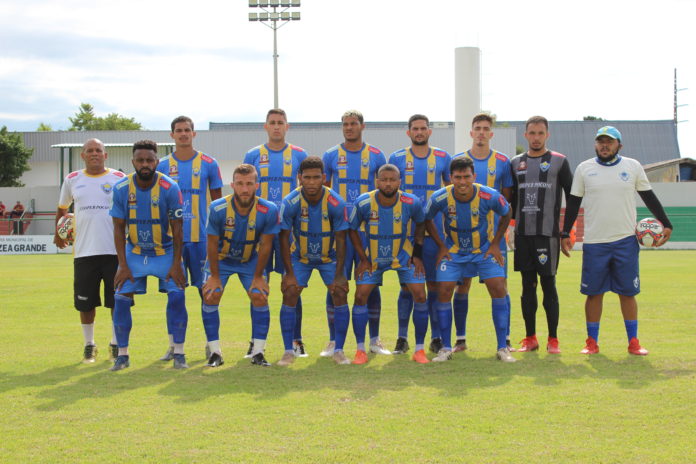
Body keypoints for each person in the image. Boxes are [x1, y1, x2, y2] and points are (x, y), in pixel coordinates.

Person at [561, 126, 673, 355]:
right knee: (594, 293)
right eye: (600, 141)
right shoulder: (584, 168)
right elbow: (573, 203)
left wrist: (666, 223)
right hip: (594, 242)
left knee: (628, 293)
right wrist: (565, 233)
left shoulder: (632, 166)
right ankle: (591, 342)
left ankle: (633, 342)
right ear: (595, 144)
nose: (604, 145)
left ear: (619, 145)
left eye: (609, 142)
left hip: (625, 241)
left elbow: (648, 197)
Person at [426, 157, 515, 362]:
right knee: (444, 290)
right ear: (451, 178)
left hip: (483, 251)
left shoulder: (489, 195)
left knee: (498, 286)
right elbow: (426, 217)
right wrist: (441, 245)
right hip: (454, 252)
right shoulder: (440, 197)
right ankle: (445, 348)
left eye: (466, 176)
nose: (462, 182)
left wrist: (495, 243)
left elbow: (507, 211)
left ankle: (502, 347)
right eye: (458, 177)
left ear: (474, 176)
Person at [109, 140, 187, 371]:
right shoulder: (121, 188)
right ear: (133, 162)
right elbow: (118, 228)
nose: (145, 164)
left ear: (157, 162)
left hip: (165, 252)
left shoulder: (170, 187)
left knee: (177, 296)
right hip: (135, 252)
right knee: (120, 298)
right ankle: (122, 356)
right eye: (140, 160)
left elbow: (178, 229)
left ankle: (179, 353)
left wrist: (176, 264)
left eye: (149, 160)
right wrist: (122, 265)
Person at [156, 116, 223, 365]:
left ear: (194, 134)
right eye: (179, 130)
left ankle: (211, 345)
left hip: (201, 241)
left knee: (207, 294)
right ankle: (173, 345)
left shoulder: (209, 163)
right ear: (172, 135)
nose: (183, 134)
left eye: (187, 130)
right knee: (174, 295)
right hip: (171, 243)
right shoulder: (162, 165)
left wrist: (220, 237)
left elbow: (218, 204)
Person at [349, 164, 431, 364]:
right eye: (384, 180)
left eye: (392, 180)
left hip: (403, 256)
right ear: (377, 181)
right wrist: (363, 259)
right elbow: (352, 229)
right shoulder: (363, 202)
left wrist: (417, 254)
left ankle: (419, 350)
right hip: (373, 258)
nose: (388, 184)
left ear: (399, 182)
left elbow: (421, 223)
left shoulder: (411, 202)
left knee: (420, 294)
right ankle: (360, 350)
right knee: (360, 296)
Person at [322, 110, 388, 357]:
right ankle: (333, 341)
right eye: (345, 124)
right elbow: (324, 192)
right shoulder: (331, 155)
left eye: (353, 124)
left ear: (362, 126)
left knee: (370, 283)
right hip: (339, 231)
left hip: (367, 231)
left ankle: (375, 339)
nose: (349, 128)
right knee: (335, 284)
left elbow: (384, 191)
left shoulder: (376, 155)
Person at [243, 108, 308, 358]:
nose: (277, 126)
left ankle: (295, 340)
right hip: (259, 231)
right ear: (266, 126)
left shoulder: (299, 154)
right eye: (272, 122)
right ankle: (256, 342)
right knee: (258, 285)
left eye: (281, 122)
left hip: (289, 232)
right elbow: (245, 190)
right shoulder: (253, 155)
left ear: (287, 126)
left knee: (292, 285)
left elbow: (307, 190)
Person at [54, 138, 125, 363]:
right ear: (83, 155)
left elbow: (129, 210)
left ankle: (115, 343)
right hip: (84, 252)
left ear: (105, 155)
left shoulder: (119, 178)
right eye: (89, 150)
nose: (94, 153)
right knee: (85, 303)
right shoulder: (72, 179)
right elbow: (62, 209)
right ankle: (89, 345)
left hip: (115, 252)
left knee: (117, 301)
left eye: (98, 150)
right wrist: (58, 233)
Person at [201, 164, 279, 367]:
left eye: (249, 184)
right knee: (211, 294)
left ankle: (258, 352)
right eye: (240, 184)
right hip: (221, 259)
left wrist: (259, 276)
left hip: (250, 259)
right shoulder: (217, 208)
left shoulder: (268, 209)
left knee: (259, 295)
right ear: (233, 185)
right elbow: (211, 243)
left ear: (257, 186)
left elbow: (266, 245)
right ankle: (215, 353)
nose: (245, 189)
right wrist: (214, 276)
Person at [387, 114, 451, 355]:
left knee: (434, 286)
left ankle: (435, 338)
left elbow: (450, 194)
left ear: (429, 131)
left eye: (423, 128)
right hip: (405, 235)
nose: (420, 132)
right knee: (407, 287)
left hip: (435, 235)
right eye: (415, 128)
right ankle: (402, 338)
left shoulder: (443, 157)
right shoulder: (397, 158)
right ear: (409, 132)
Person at [509, 116, 573, 354]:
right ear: (525, 135)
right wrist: (510, 227)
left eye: (540, 133)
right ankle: (530, 338)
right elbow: (512, 198)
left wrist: (567, 231)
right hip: (523, 235)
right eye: (532, 133)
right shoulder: (515, 163)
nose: (536, 138)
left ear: (547, 135)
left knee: (549, 284)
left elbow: (573, 197)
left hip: (548, 235)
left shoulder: (559, 161)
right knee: (527, 286)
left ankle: (553, 339)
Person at [278, 156, 350, 365]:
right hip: (300, 257)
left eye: (316, 177)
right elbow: (283, 238)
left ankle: (339, 350)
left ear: (324, 178)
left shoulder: (335, 202)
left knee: (340, 292)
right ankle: (288, 351)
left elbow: (341, 238)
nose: (311, 182)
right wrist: (289, 273)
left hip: (329, 257)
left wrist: (339, 274)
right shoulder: (290, 202)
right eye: (307, 177)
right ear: (299, 178)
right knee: (290, 291)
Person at [452, 113, 515, 352]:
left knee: (500, 285)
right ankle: (460, 339)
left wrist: (503, 233)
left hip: (493, 238)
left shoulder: (502, 161)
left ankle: (505, 339)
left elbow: (506, 200)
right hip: (464, 236)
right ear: (471, 132)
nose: (481, 132)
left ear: (491, 133)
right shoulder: (458, 160)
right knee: (462, 285)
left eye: (485, 128)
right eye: (477, 128)